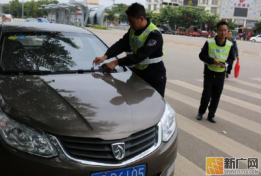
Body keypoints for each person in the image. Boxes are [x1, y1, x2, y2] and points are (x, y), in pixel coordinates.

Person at [93, 3, 166, 97]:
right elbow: (122, 44)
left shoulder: (154, 34)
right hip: (138, 72)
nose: (130, 24)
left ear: (141, 18)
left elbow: (139, 56)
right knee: (131, 98)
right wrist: (105, 56)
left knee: (154, 104)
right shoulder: (133, 30)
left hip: (154, 74)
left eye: (131, 21)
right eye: (129, 21)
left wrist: (116, 62)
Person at [196, 21, 235, 123]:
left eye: (225, 30)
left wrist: (225, 64)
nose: (222, 32)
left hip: (220, 74)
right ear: (217, 31)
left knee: (216, 95)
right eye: (221, 30)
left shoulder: (230, 44)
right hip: (209, 72)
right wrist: (212, 61)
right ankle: (201, 112)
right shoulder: (209, 42)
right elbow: (201, 55)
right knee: (206, 95)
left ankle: (211, 115)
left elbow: (232, 58)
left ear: (227, 32)